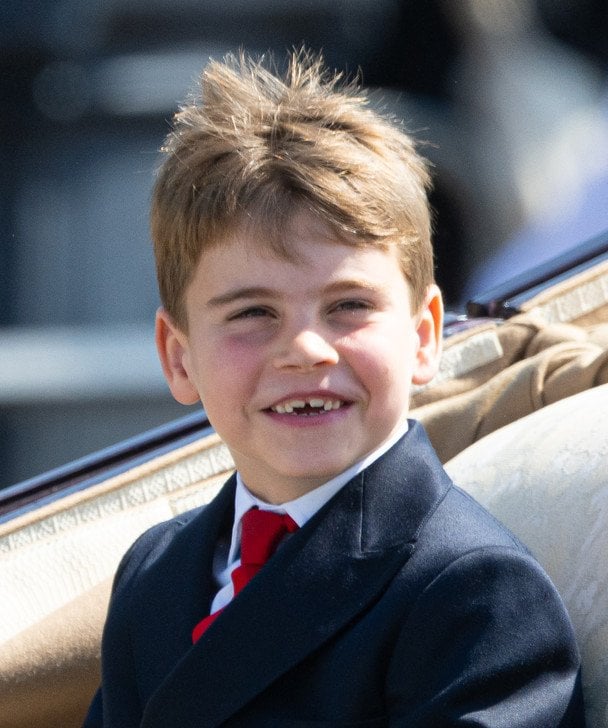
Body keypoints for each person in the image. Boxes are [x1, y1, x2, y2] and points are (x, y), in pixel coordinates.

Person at [83, 51, 585, 727]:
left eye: (348, 305)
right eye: (252, 313)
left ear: (423, 337)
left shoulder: (474, 594)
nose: (306, 349)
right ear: (179, 358)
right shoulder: (155, 573)